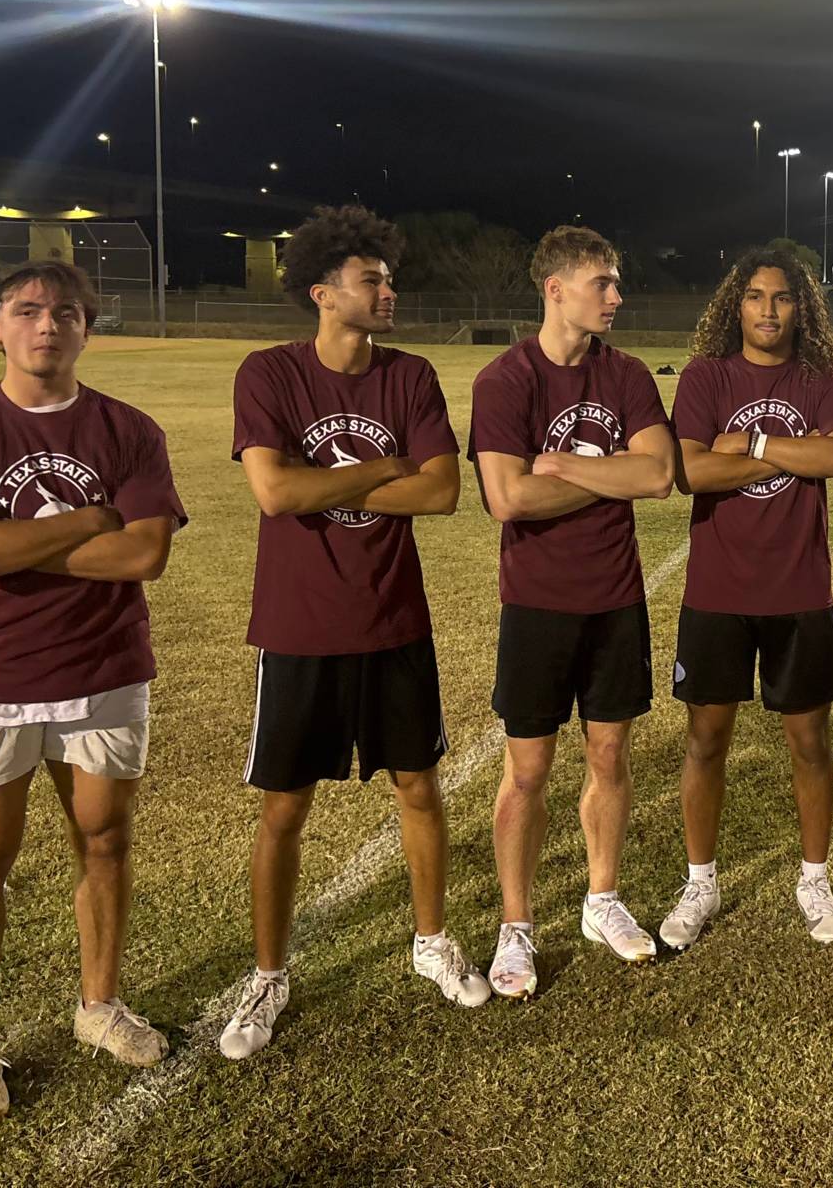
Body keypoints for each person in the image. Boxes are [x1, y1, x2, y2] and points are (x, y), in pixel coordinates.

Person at [0, 261, 187, 1123]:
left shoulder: (127, 429)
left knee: (104, 843)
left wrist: (11, 541)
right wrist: (83, 521)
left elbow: (143, 555)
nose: (46, 326)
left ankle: (98, 1005)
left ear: (86, 329)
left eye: (66, 313)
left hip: (104, 671)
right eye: (26, 311)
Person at [222, 206, 487, 1061]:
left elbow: (442, 491)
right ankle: (268, 974)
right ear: (322, 294)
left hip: (392, 619)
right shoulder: (268, 373)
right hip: (299, 628)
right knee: (284, 808)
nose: (388, 291)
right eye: (371, 280)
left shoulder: (409, 377)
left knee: (418, 789)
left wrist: (325, 480)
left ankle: (431, 938)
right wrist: (382, 469)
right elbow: (275, 495)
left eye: (387, 277)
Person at [473, 226, 675, 997]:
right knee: (527, 771)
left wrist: (565, 462)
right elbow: (508, 497)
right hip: (538, 604)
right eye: (604, 283)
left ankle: (602, 899)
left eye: (616, 283)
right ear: (555, 289)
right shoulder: (506, 380)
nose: (617, 297)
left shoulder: (624, 374)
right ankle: (516, 928)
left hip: (615, 596)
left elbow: (659, 477)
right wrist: (606, 472)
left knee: (610, 755)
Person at [657, 248, 833, 950]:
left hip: (799, 590)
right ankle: (701, 880)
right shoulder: (706, 376)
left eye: (781, 298)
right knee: (706, 740)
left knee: (809, 742)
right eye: (754, 297)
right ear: (734, 306)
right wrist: (788, 447)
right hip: (717, 591)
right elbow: (691, 471)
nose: (768, 310)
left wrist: (751, 439)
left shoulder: (822, 379)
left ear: (801, 307)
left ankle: (813, 877)